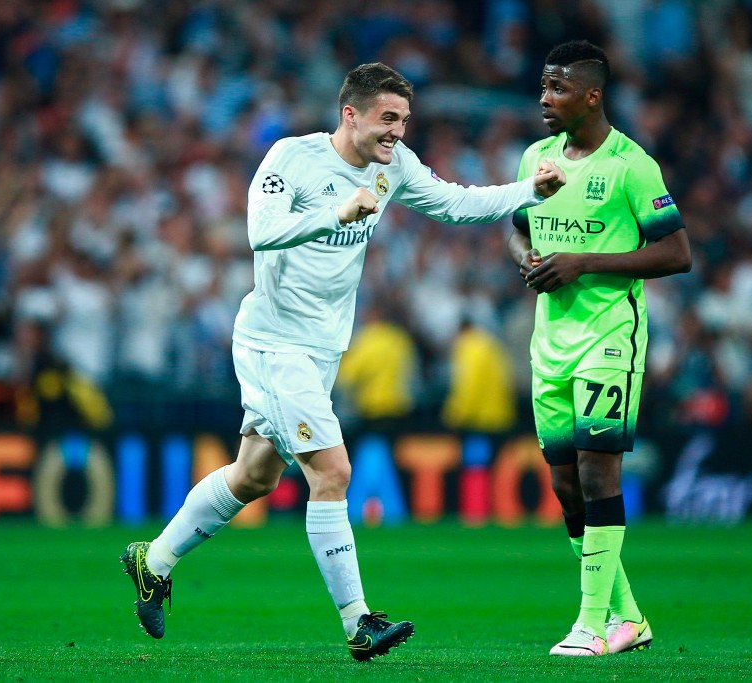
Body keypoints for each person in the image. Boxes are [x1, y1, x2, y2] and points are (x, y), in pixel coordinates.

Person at [120, 62, 565, 661]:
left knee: (253, 475)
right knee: (332, 472)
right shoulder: (290, 158)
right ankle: (360, 623)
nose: (398, 133)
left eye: (404, 121)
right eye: (388, 119)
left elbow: (457, 203)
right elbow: (260, 232)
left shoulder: (393, 166)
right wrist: (337, 213)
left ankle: (155, 560)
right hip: (274, 343)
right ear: (349, 114)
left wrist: (529, 191)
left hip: (323, 347)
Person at [507, 41, 692, 657]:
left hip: (610, 336)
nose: (544, 99)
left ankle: (589, 625)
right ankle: (629, 617)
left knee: (596, 469)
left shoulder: (632, 165)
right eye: (542, 86)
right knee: (564, 484)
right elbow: (516, 228)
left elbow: (676, 252)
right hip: (549, 342)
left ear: (592, 95)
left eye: (557, 88)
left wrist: (585, 261)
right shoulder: (536, 157)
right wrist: (529, 262)